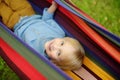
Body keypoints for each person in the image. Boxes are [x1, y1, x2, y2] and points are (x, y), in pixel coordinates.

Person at [0, 0, 85, 70]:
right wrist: (53, 7)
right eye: (62, 43)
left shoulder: (39, 57)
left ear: (54, 63)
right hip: (28, 13)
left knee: (2, 9)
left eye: (59, 53)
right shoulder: (58, 33)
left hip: (15, 24)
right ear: (65, 38)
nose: (55, 46)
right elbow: (47, 18)